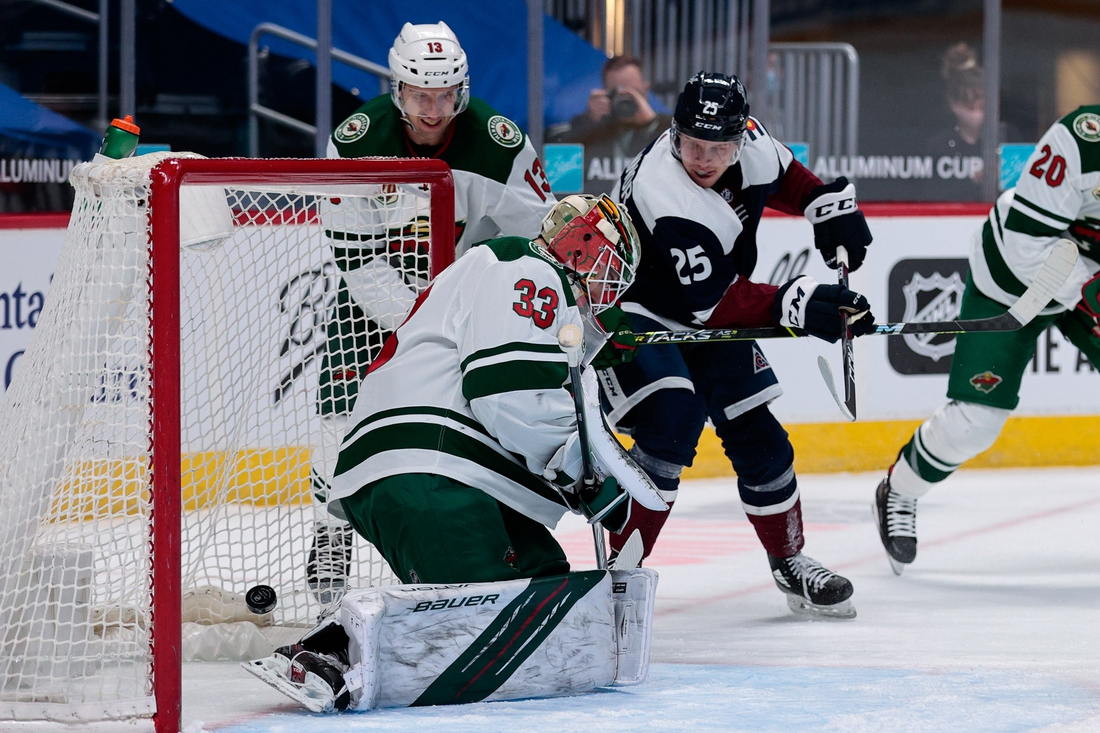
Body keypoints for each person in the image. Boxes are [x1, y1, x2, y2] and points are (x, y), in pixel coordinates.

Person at [245, 194, 657, 713]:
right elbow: (509, 394)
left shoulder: (512, 274)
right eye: (608, 271)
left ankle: (342, 645)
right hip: (432, 465)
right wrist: (586, 478)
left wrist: (592, 339)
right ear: (585, 251)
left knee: (546, 598)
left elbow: (529, 389)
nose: (606, 289)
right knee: (483, 625)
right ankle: (327, 653)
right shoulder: (525, 267)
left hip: (453, 474)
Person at [602, 71, 875, 618]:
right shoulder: (665, 193)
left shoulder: (750, 140)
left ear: (741, 136)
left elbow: (789, 177)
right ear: (675, 134)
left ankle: (791, 562)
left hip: (703, 311)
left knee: (759, 434)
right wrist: (800, 304)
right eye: (693, 145)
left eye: (719, 147)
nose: (704, 158)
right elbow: (717, 305)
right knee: (672, 423)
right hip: (634, 313)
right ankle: (616, 575)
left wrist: (826, 207)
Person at [307, 21, 558, 600]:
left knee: (469, 412)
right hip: (371, 301)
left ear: (461, 91)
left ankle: (483, 521)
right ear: (398, 89)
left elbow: (541, 237)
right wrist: (420, 322)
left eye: (446, 95)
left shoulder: (497, 142)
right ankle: (330, 530)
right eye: (421, 95)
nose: (434, 109)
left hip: (455, 302)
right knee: (339, 412)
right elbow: (357, 257)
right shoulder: (356, 139)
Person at [874, 106, 1100, 573]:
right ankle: (900, 490)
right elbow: (1025, 246)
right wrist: (1090, 291)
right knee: (976, 421)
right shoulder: (1079, 140)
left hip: (1088, 279)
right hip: (1016, 279)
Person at [547, 54, 672, 196]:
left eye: (632, 92)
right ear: (604, 93)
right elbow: (559, 188)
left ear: (645, 90)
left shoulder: (666, 130)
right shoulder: (588, 131)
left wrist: (653, 122)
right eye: (617, 93)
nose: (625, 100)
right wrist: (587, 121)